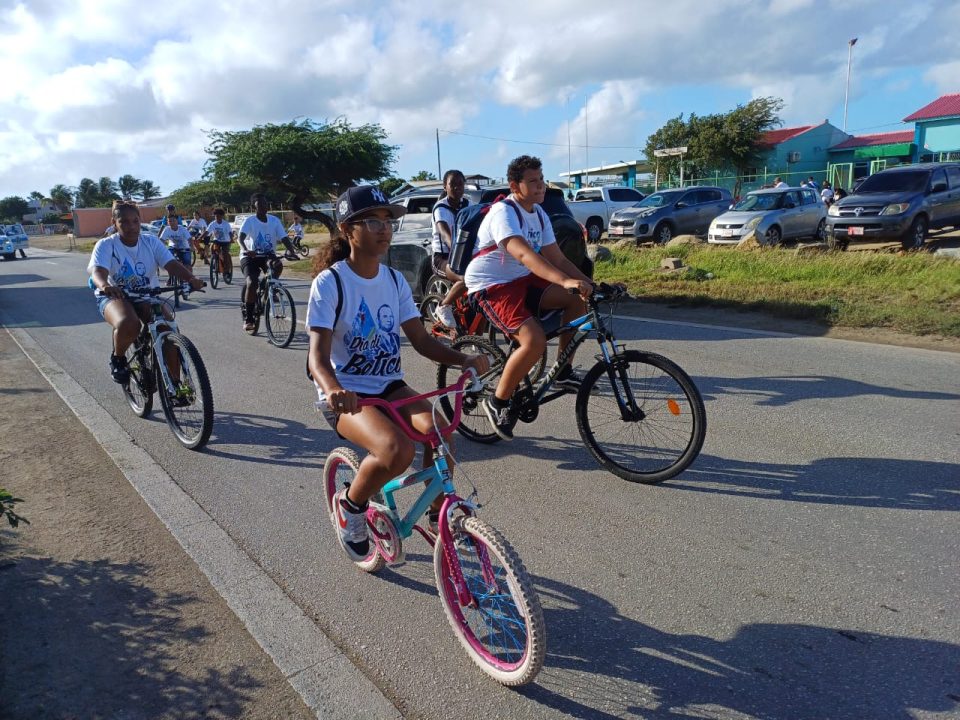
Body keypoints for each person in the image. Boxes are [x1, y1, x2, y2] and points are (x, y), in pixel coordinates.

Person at [306, 185, 489, 560]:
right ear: (347, 230)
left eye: (388, 220)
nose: (384, 228)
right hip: (347, 394)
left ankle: (443, 514)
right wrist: (333, 389)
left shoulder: (392, 281)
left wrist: (464, 359)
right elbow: (317, 358)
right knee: (396, 449)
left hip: (389, 386)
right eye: (372, 221)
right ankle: (351, 506)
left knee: (441, 431)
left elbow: (422, 341)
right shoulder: (331, 282)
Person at [464, 155, 593, 441]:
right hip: (491, 283)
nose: (541, 186)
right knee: (533, 340)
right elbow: (523, 253)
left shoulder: (539, 213)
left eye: (541, 179)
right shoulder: (503, 212)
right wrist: (564, 280)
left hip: (521, 278)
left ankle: (563, 370)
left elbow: (556, 256)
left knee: (577, 300)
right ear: (515, 185)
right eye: (533, 181)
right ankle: (498, 403)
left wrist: (586, 283)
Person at [88, 201, 203, 384]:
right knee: (130, 323)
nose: (131, 227)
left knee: (167, 327)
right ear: (114, 222)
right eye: (124, 222)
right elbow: (98, 272)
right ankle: (118, 359)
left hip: (147, 295)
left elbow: (171, 264)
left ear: (140, 221)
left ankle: (175, 385)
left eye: (135, 221)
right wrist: (104, 285)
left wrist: (191, 279)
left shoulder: (150, 241)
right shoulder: (106, 245)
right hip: (115, 296)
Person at [237, 193, 296, 332]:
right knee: (252, 282)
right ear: (254, 207)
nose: (264, 207)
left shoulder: (274, 221)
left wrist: (291, 251)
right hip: (250, 256)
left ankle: (268, 288)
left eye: (265, 204)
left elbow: (284, 237)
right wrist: (246, 249)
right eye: (260, 205)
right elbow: (240, 237)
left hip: (267, 255)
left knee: (278, 265)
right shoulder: (250, 221)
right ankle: (249, 318)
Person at [430, 169, 470, 329]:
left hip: (463, 256)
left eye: (460, 184)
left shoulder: (468, 205)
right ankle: (444, 305)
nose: (457, 188)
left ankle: (475, 336)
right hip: (443, 258)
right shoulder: (441, 208)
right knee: (466, 279)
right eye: (452, 184)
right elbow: (446, 235)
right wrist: (457, 250)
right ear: (444, 186)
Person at [207, 208, 235, 277]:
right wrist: (200, 237)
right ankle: (214, 261)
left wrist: (231, 239)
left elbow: (230, 233)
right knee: (212, 248)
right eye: (216, 216)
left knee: (225, 255)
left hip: (226, 241)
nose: (217, 218)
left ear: (222, 216)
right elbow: (207, 232)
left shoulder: (226, 224)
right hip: (217, 241)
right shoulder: (213, 224)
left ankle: (227, 271)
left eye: (219, 216)